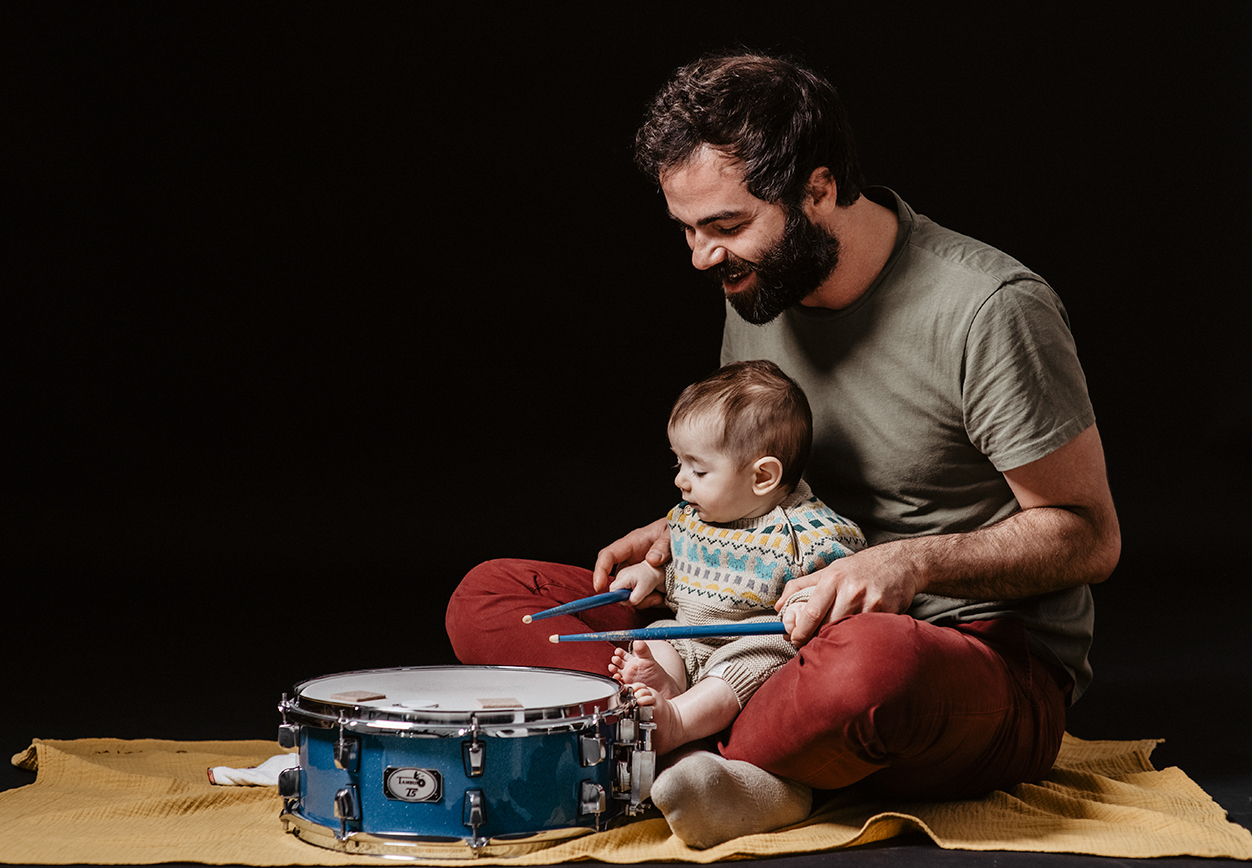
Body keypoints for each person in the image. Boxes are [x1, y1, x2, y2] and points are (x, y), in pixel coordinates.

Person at [446, 51, 1121, 848]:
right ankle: (727, 755)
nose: (702, 255)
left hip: (956, 649)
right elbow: (763, 477)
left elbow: (1088, 536)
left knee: (869, 671)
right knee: (491, 597)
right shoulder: (759, 290)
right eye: (688, 229)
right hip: (748, 626)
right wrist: (691, 529)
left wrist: (905, 564)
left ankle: (680, 748)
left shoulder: (990, 309)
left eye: (727, 226)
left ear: (820, 189)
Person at [606, 359, 866, 756]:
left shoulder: (808, 534)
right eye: (680, 462)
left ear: (763, 477)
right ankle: (664, 691)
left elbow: (836, 579)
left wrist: (800, 605)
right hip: (688, 637)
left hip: (750, 644)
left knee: (746, 663)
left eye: (698, 469)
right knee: (653, 641)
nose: (680, 479)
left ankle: (676, 724)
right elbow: (683, 567)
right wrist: (652, 575)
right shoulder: (692, 516)